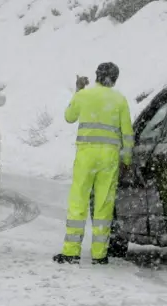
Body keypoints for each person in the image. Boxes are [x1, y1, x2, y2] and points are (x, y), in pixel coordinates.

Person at [54, 62, 133, 265]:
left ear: (97, 75)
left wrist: (78, 90)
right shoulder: (119, 100)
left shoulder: (84, 95)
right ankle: (99, 254)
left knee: (78, 201)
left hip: (86, 155)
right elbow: (127, 133)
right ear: (114, 79)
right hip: (109, 158)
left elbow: (69, 117)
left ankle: (71, 251)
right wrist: (126, 159)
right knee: (104, 205)